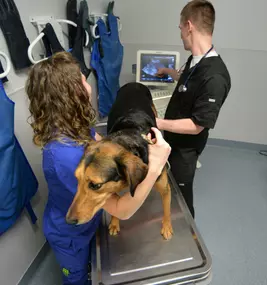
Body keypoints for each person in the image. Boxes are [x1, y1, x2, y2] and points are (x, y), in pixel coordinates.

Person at [26, 51, 171, 285]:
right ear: (73, 93)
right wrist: (156, 165)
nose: (87, 81)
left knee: (93, 265)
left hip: (87, 223)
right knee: (78, 278)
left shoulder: (73, 128)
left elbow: (100, 143)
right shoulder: (64, 155)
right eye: (83, 78)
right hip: (69, 234)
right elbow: (122, 211)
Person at [156, 0, 231, 218]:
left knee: (182, 197)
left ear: (189, 26)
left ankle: (189, 234)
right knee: (168, 187)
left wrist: (157, 122)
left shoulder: (215, 76)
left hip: (186, 151)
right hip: (172, 141)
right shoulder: (195, 60)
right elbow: (188, 82)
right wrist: (170, 72)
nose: (180, 34)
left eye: (180, 28)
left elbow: (197, 125)